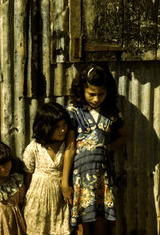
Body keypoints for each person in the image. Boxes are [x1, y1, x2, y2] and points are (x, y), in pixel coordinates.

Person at [63, 64, 129, 235]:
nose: (96, 98)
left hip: (102, 175)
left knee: (101, 220)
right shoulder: (73, 112)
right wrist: (64, 182)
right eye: (91, 94)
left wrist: (106, 148)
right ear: (82, 90)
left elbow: (125, 135)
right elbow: (70, 148)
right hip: (80, 177)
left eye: (101, 94)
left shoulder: (112, 112)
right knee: (82, 223)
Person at [23, 102, 72, 235]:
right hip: (37, 203)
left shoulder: (68, 146)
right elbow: (27, 177)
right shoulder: (34, 148)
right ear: (45, 127)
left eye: (64, 125)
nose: (62, 130)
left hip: (59, 202)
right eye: (57, 127)